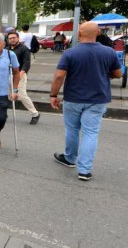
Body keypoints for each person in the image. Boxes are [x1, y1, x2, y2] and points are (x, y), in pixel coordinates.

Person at [50, 22, 122, 181]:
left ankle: (69, 159)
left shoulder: (70, 53)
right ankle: (84, 170)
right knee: (91, 133)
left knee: (72, 129)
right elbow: (118, 74)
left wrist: (53, 95)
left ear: (78, 34)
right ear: (97, 33)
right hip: (97, 99)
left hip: (73, 98)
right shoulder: (109, 52)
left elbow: (59, 76)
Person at [6, 31, 40, 124]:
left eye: (14, 37)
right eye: (10, 38)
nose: (12, 39)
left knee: (21, 95)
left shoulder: (24, 49)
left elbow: (26, 64)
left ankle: (35, 114)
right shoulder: (6, 49)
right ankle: (2, 115)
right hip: (8, 74)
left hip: (20, 74)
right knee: (6, 95)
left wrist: (19, 75)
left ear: (18, 38)